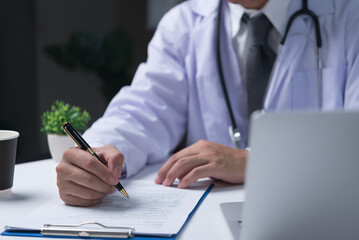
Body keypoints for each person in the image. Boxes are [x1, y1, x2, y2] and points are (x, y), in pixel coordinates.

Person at [56, 0, 359, 206]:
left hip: (319, 214)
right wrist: (100, 154)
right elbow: (143, 108)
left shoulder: (349, 16)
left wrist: (255, 162)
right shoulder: (185, 23)